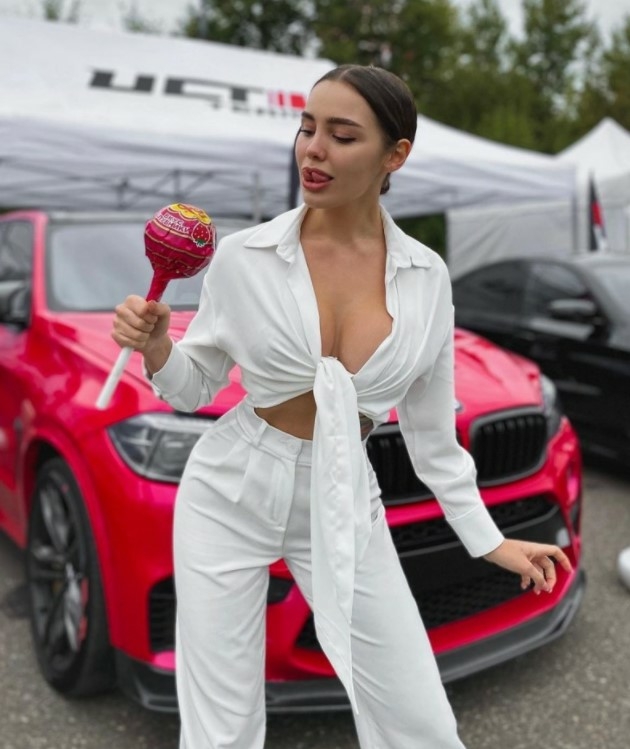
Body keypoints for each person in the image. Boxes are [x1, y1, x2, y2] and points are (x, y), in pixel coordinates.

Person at [111, 64, 573, 749]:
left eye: (342, 135)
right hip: (225, 491)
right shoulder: (243, 256)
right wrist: (157, 348)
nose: (314, 149)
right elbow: (195, 386)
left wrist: (490, 540)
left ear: (395, 155)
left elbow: (432, 438)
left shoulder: (426, 278)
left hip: (344, 493)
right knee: (220, 729)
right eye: (307, 128)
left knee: (420, 720)